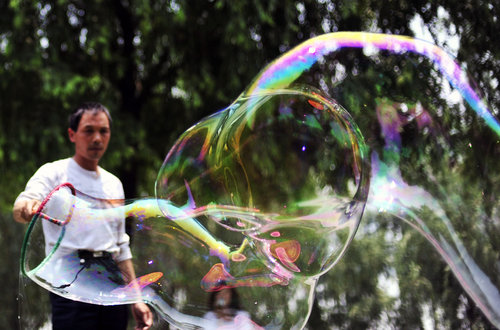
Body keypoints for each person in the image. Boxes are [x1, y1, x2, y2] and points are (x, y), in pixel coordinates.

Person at [13, 102, 153, 330]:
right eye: (89, 130)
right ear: (72, 134)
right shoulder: (53, 172)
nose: (97, 138)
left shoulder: (113, 184)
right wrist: (27, 208)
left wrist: (135, 298)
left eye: (103, 131)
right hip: (69, 276)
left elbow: (121, 246)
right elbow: (21, 205)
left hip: (111, 278)